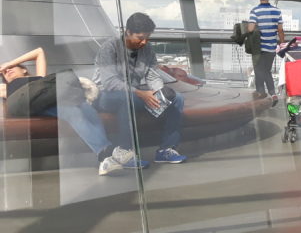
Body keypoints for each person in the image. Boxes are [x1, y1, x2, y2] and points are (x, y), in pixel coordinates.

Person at [1, 47, 127, 176]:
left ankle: (107, 158)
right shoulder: (6, 87)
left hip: (55, 99)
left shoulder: (40, 77)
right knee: (73, 112)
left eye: (12, 67)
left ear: (23, 69)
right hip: (35, 105)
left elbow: (39, 52)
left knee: (87, 109)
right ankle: (106, 153)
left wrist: (10, 63)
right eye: (4, 72)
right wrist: (3, 67)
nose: (8, 70)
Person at [95, 12, 187, 165]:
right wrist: (140, 93)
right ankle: (126, 153)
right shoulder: (109, 48)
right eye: (140, 38)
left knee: (177, 99)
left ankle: (166, 149)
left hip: (134, 95)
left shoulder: (147, 49)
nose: (144, 42)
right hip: (106, 96)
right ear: (128, 32)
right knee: (127, 99)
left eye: (147, 38)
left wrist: (159, 93)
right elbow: (109, 82)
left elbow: (152, 76)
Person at [249, 0, 284, 105]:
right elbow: (280, 30)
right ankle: (273, 94)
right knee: (266, 71)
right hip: (271, 46)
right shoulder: (277, 11)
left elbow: (250, 29)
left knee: (258, 70)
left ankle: (260, 92)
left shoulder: (255, 11)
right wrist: (282, 42)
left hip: (258, 47)